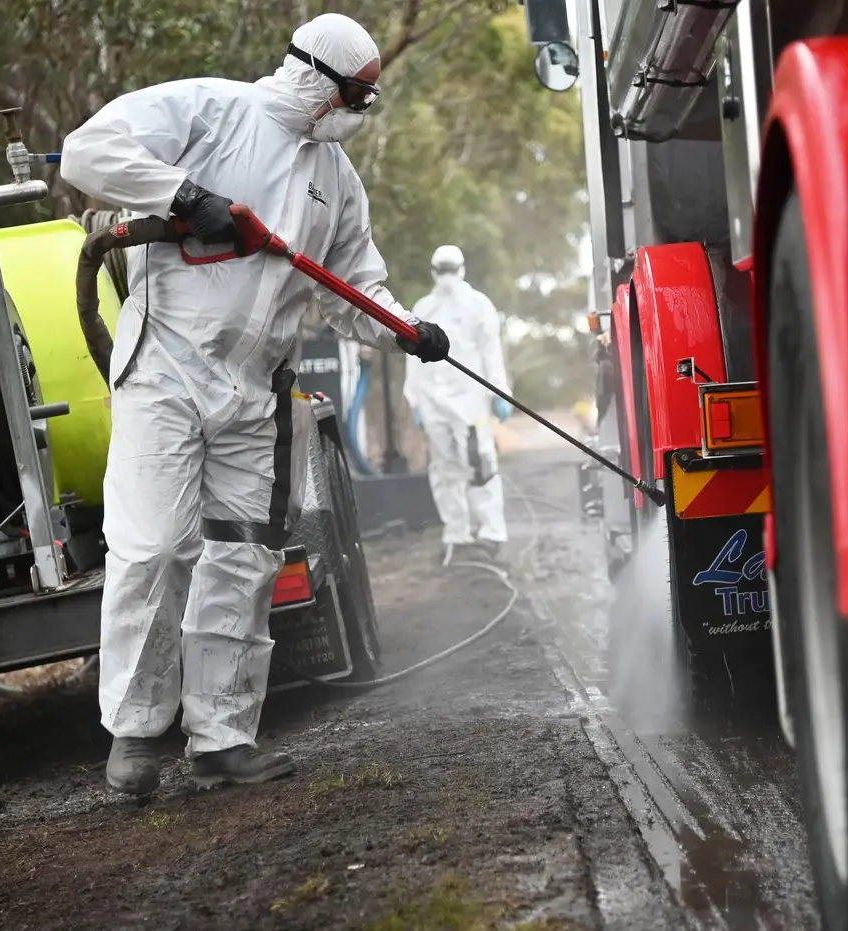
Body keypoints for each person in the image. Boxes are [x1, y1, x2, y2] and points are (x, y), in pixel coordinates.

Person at [59, 13, 450, 796]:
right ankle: (135, 734)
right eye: (357, 96)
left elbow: (352, 289)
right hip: (165, 369)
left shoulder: (335, 180)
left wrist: (405, 328)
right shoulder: (209, 109)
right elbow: (85, 151)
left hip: (257, 387)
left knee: (243, 557)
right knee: (156, 547)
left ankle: (222, 737)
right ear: (315, 76)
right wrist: (184, 195)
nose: (361, 113)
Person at [404, 245, 512, 566]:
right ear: (433, 271)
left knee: (480, 468)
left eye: (453, 268)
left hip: (471, 399)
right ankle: (457, 535)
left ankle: (491, 534)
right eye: (443, 269)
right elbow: (412, 360)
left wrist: (498, 393)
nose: (448, 276)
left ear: (463, 268)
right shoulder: (423, 307)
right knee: (445, 470)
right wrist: (415, 401)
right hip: (434, 402)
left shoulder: (479, 305)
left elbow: (491, 351)